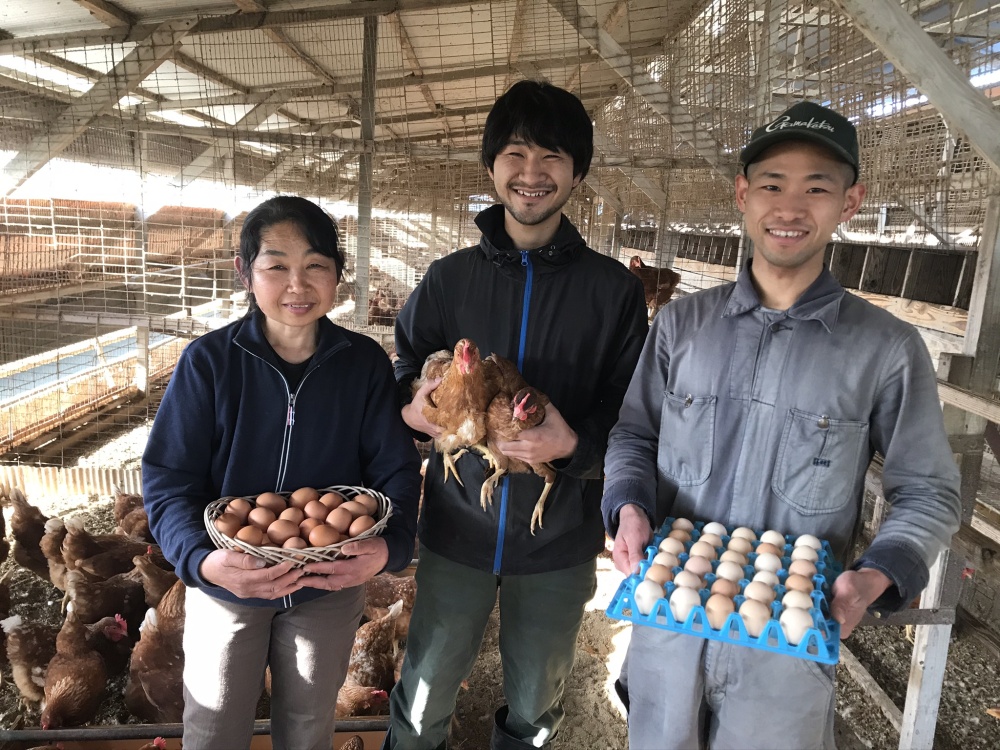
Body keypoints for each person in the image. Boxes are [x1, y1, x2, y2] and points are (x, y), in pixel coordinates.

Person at [602, 101, 963, 750]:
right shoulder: (682, 328)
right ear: (743, 195)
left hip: (786, 653)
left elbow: (929, 490)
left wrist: (879, 572)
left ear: (850, 202)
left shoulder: (884, 348)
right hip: (669, 635)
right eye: (772, 184)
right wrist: (627, 505)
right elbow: (635, 434)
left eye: (817, 187)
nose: (791, 207)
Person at [386, 80, 648, 750]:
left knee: (536, 702)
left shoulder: (613, 292)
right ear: (492, 164)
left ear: (577, 171)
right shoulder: (448, 280)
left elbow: (633, 413)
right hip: (456, 530)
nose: (533, 174)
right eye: (517, 153)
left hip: (557, 537)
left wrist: (574, 447)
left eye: (553, 157)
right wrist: (416, 409)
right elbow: (401, 374)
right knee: (423, 692)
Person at [142, 195, 422, 750]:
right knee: (214, 727)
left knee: (308, 727)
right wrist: (202, 560)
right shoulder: (210, 362)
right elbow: (169, 476)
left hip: (326, 584)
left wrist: (390, 548)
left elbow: (395, 465)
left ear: (338, 275)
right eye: (277, 266)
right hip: (230, 584)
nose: (297, 284)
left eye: (316, 265)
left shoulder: (363, 363)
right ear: (246, 273)